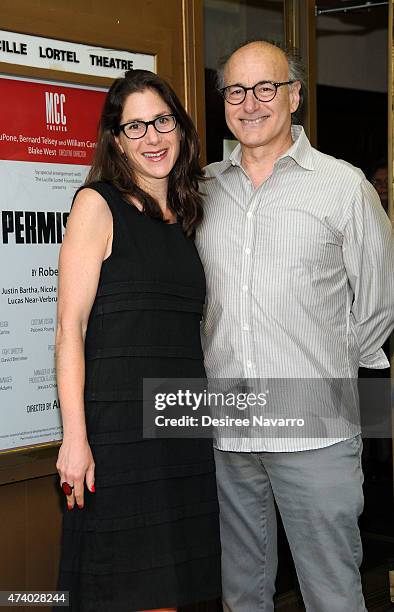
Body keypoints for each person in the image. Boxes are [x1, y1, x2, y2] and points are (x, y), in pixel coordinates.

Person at [196, 41, 394, 612]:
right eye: (236, 90)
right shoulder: (204, 190)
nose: (250, 102)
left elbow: (381, 301)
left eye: (266, 88)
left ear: (294, 95)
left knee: (331, 593)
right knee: (241, 593)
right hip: (228, 432)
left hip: (317, 434)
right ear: (224, 101)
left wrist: (325, 366)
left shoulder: (343, 187)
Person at [55, 69, 221, 612]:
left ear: (180, 127)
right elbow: (69, 330)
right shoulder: (96, 206)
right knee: (131, 590)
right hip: (121, 434)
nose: (153, 137)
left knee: (176, 592)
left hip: (180, 427)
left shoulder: (186, 215)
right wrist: (75, 440)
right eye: (135, 127)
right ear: (116, 139)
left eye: (162, 121)